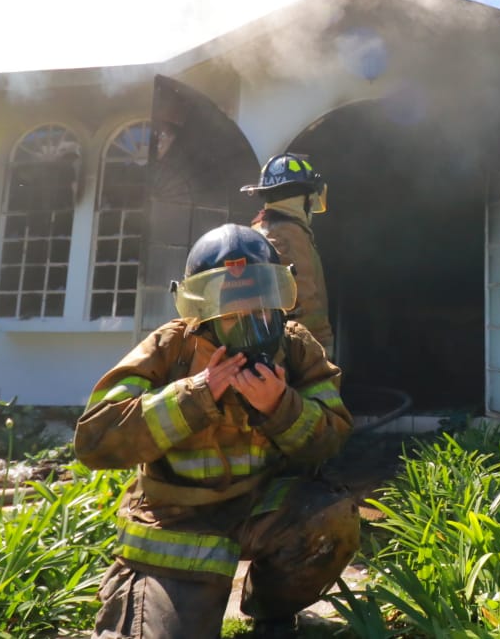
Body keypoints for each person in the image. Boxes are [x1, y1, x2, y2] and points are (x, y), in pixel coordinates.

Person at [74, 223, 360, 639]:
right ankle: (139, 594)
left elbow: (332, 437)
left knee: (329, 517)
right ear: (203, 307)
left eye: (260, 300)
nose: (250, 317)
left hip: (261, 505)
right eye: (232, 306)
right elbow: (94, 441)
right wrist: (194, 396)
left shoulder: (295, 348)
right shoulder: (170, 349)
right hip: (179, 522)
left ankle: (273, 613)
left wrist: (281, 407)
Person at [242, 153, 334, 355]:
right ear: (305, 199)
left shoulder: (260, 231)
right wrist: (320, 352)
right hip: (298, 356)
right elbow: (303, 306)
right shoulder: (288, 236)